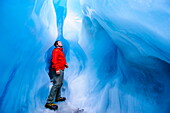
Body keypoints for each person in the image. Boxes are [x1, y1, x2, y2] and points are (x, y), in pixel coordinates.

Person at [45, 40, 68, 110]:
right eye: (60, 42)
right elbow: (54, 60)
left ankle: (58, 97)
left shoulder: (60, 51)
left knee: (60, 83)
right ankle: (49, 102)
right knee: (56, 84)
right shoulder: (56, 51)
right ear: (57, 45)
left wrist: (65, 64)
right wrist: (57, 69)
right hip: (57, 70)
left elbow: (60, 60)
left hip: (61, 69)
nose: (61, 43)